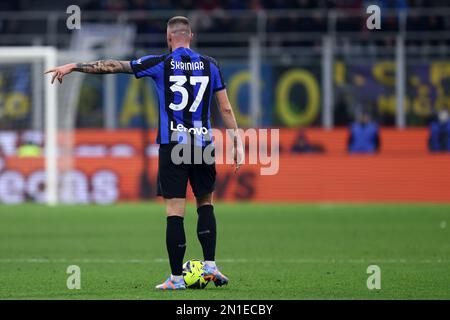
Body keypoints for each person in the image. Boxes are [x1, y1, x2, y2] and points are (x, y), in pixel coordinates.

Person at [45, 16, 244, 291]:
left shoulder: (160, 63)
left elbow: (114, 66)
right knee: (205, 204)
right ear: (191, 36)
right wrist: (237, 141)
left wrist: (74, 66)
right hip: (202, 144)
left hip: (173, 145)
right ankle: (210, 266)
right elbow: (225, 109)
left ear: (168, 37)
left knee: (175, 211)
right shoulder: (211, 65)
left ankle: (176, 279)